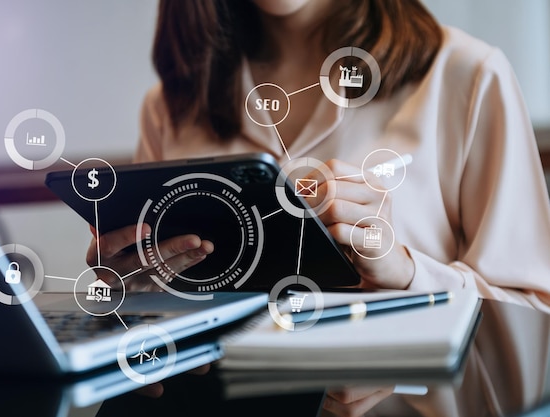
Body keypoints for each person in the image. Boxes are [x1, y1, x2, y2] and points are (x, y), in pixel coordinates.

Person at [86, 0, 550, 415]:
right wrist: (132, 295)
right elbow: (150, 331)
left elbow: (536, 321)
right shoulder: (170, 106)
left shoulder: (467, 75)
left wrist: (406, 274)